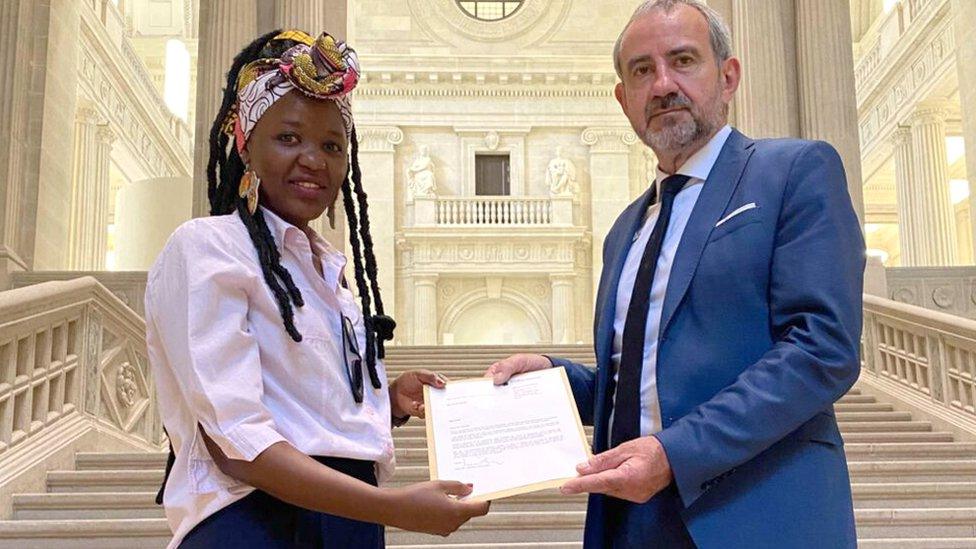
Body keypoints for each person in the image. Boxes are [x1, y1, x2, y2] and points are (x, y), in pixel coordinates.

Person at [486, 1, 864, 547]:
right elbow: (639, 383)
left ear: (728, 76)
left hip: (759, 512)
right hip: (630, 520)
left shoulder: (794, 171)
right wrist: (555, 380)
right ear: (623, 100)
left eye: (683, 60)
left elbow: (822, 348)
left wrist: (674, 453)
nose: (663, 84)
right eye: (642, 70)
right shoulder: (625, 230)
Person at [145, 29, 488, 548]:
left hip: (350, 522)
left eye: (332, 145)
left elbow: (315, 420)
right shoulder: (206, 248)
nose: (313, 159)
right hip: (254, 523)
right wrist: (393, 508)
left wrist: (389, 403)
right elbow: (237, 445)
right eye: (289, 138)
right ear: (245, 142)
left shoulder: (332, 274)